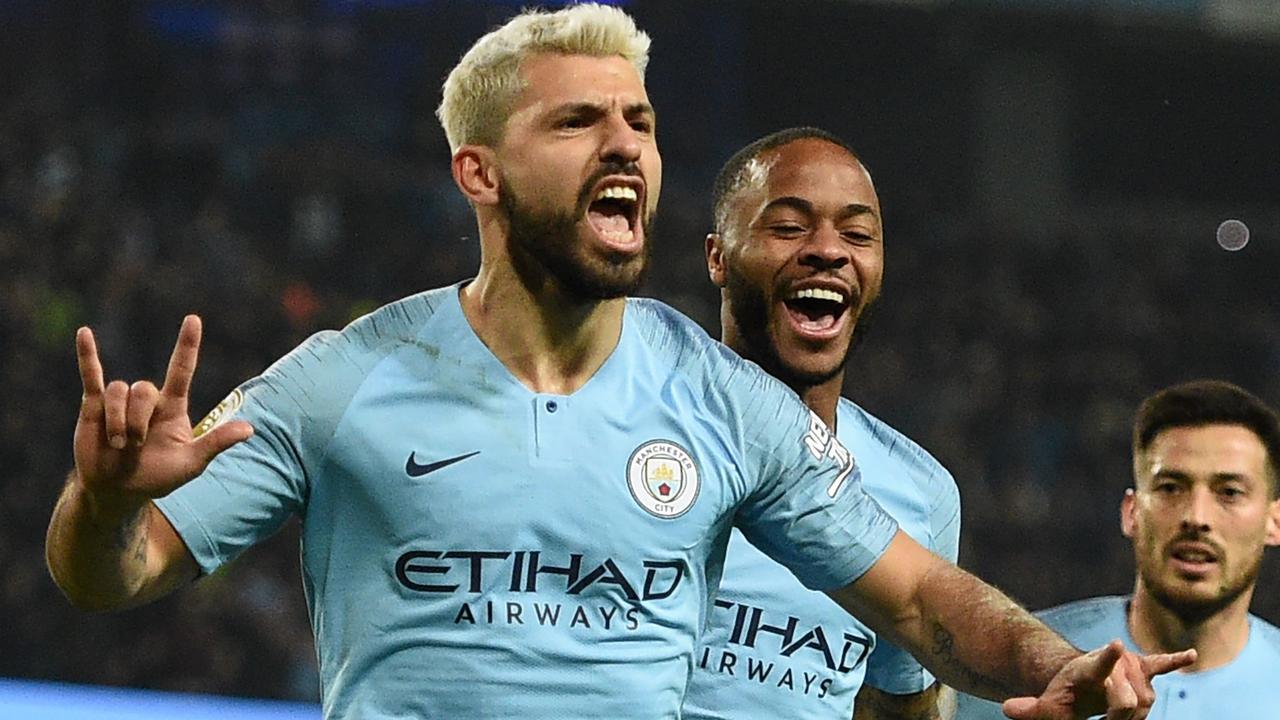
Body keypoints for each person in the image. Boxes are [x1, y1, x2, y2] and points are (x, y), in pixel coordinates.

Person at [45, 4, 1192, 719]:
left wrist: (1055, 663)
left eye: (638, 120)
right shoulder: (343, 379)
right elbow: (111, 576)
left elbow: (923, 604)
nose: (626, 146)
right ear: (479, 175)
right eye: (578, 122)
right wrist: (100, 504)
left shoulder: (723, 404)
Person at [681, 127, 959, 720]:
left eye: (857, 235)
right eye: (788, 227)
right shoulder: (635, 431)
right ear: (718, 257)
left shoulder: (920, 496)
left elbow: (898, 704)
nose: (829, 251)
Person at [955, 380, 1280, 719]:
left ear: (1274, 521)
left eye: (1229, 492)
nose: (1196, 518)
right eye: (1170, 488)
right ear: (1131, 513)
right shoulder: (1022, 668)